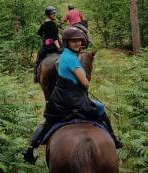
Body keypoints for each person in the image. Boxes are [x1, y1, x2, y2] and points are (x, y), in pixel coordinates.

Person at [23, 26, 122, 164]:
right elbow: (85, 82)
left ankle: (30, 147)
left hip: (59, 98)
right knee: (99, 107)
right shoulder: (73, 60)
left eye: (79, 41)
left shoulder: (63, 56)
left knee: (48, 121)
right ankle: (114, 139)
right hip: (74, 99)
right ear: (67, 42)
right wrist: (84, 81)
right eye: (73, 41)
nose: (77, 43)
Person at [34, 6, 62, 83]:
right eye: (53, 13)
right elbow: (55, 38)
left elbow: (39, 33)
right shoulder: (53, 24)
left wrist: (46, 38)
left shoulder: (44, 23)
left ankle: (36, 76)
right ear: (48, 15)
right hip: (54, 46)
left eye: (54, 13)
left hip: (46, 47)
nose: (54, 15)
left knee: (38, 60)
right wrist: (58, 47)